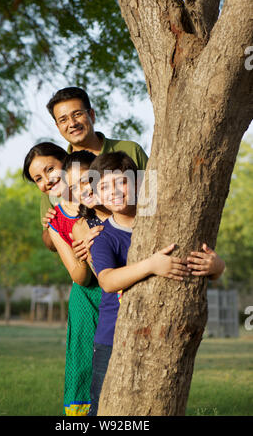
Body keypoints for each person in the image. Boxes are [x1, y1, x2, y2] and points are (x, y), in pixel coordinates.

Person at [87, 151, 226, 416]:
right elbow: (107, 281)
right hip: (111, 336)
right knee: (103, 405)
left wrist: (217, 267)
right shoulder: (104, 237)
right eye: (104, 186)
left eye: (121, 182)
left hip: (159, 332)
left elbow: (200, 263)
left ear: (139, 183)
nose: (114, 191)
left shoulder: (167, 226)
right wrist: (150, 265)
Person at [23, 143, 100, 416]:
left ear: (67, 163)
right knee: (82, 360)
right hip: (87, 296)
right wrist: (80, 244)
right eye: (38, 179)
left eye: (50, 170)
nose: (46, 181)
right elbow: (79, 275)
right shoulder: (56, 219)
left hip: (118, 290)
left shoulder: (101, 196)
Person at [41, 86, 148, 252]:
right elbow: (49, 239)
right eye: (63, 120)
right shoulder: (58, 172)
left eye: (77, 114)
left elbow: (154, 200)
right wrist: (72, 234)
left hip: (144, 248)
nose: (72, 123)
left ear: (91, 115)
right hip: (98, 268)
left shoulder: (130, 150)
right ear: (58, 126)